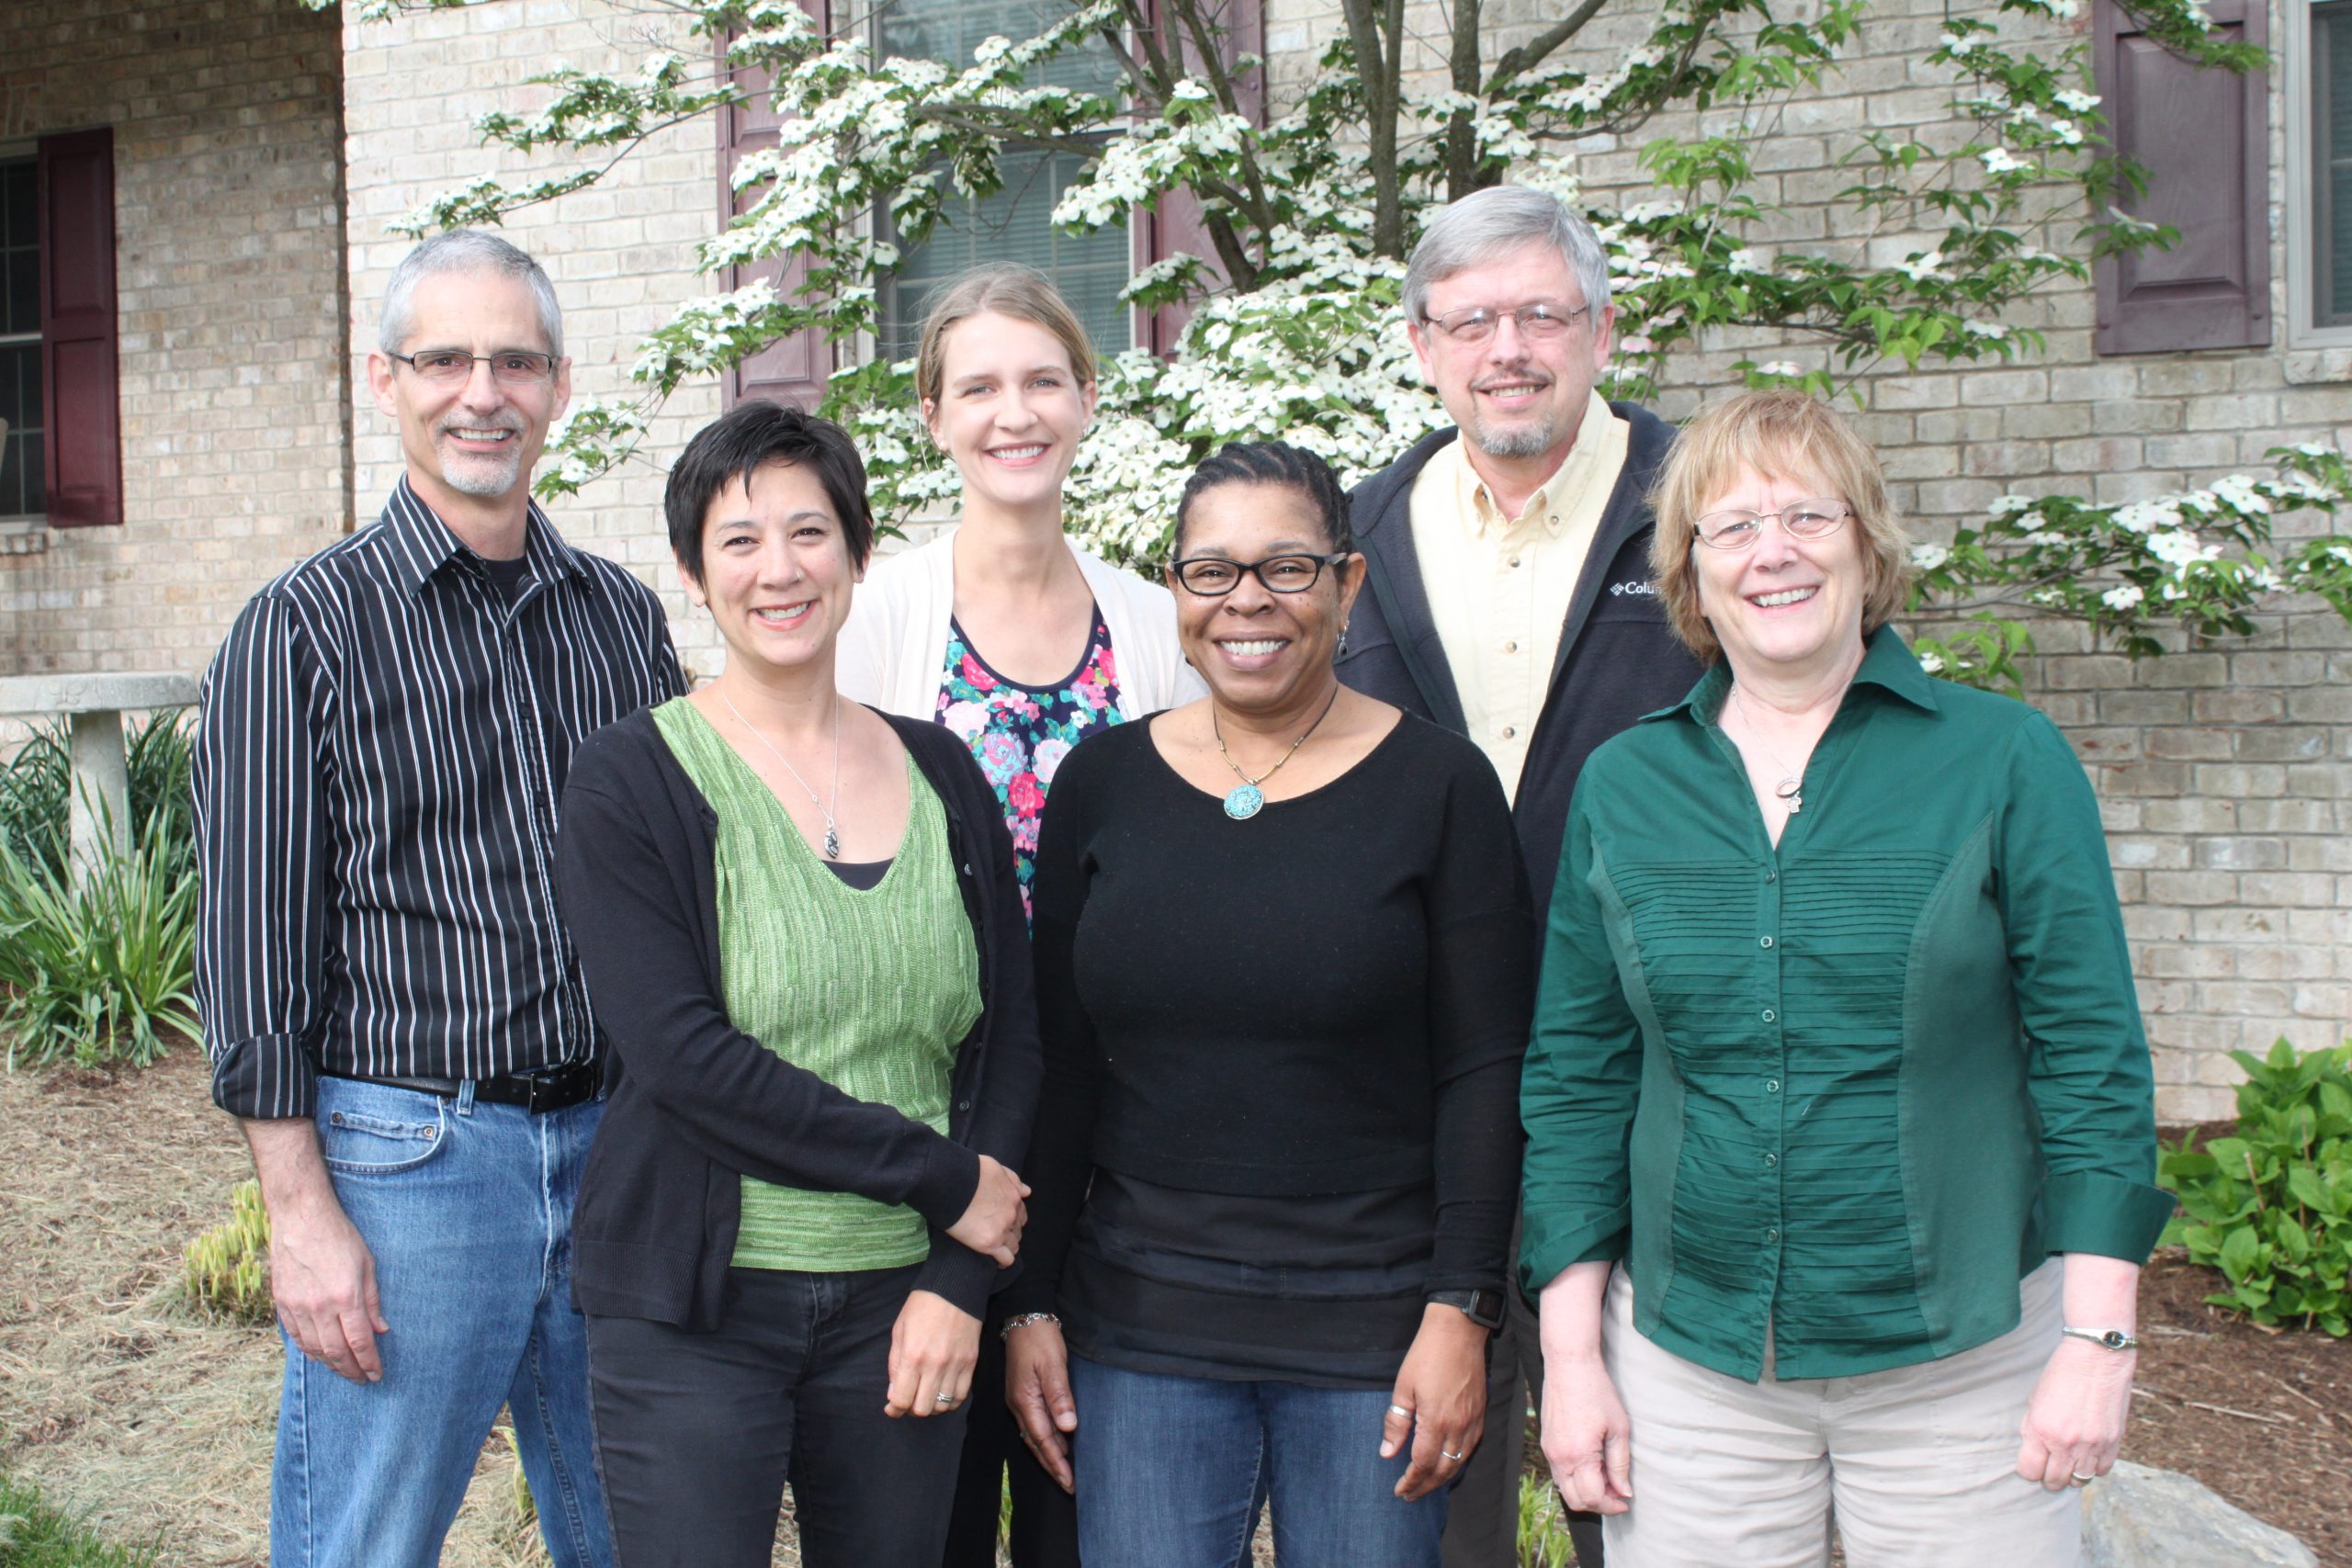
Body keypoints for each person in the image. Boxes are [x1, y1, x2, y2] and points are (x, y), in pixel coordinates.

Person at [1520, 389, 2175, 1568]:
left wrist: (2098, 1340)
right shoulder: (1624, 786)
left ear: (1865, 545)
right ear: (1690, 572)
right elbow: (1576, 1078)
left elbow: (2092, 1060)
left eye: (1807, 516)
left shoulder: (2002, 759)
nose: (1773, 551)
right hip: (1691, 1374)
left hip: (1962, 1366)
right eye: (1731, 527)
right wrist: (1571, 1362)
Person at [192, 230, 683, 1567]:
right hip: (412, 1165)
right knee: (366, 1541)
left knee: (640, 1532)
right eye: (447, 357)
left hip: (615, 1153)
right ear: (385, 377)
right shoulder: (300, 629)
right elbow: (253, 956)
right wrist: (301, 1216)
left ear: (559, 385)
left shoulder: (622, 620)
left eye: (514, 359)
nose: (484, 390)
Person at [1001, 442, 1533, 1568]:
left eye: (1287, 569)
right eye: (1212, 571)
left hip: (1375, 1330)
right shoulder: (1100, 787)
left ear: (1346, 585)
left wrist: (1462, 1309)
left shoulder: (1440, 787)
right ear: (1176, 592)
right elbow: (1062, 1064)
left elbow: (1486, 1069)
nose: (1248, 600)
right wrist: (1031, 1302)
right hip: (1140, 1329)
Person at [551, 400, 1043, 1567]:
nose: (780, 569)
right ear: (691, 569)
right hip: (695, 1310)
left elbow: (1012, 1040)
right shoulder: (632, 777)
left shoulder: (941, 770)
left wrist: (959, 1276)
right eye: (739, 540)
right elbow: (683, 1058)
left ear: (858, 554)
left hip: (904, 1305)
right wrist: (943, 1180)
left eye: (810, 533)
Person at [1337, 184, 1703, 1568]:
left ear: (1602, 332)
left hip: (1653, 1074)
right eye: (1472, 319)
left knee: (1652, 1486)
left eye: (1542, 313)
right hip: (1415, 1091)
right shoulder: (1355, 538)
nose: (1510, 348)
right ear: (1424, 344)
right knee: (1428, 1487)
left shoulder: (1702, 507)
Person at [837, 265, 1201, 1568]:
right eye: (979, 385)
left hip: (1104, 1128)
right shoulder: (875, 618)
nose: (1015, 411)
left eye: (1044, 378)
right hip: (926, 1114)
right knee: (925, 1500)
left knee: (1078, 1490)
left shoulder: (1157, 626)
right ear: (933, 412)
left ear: (1088, 397)